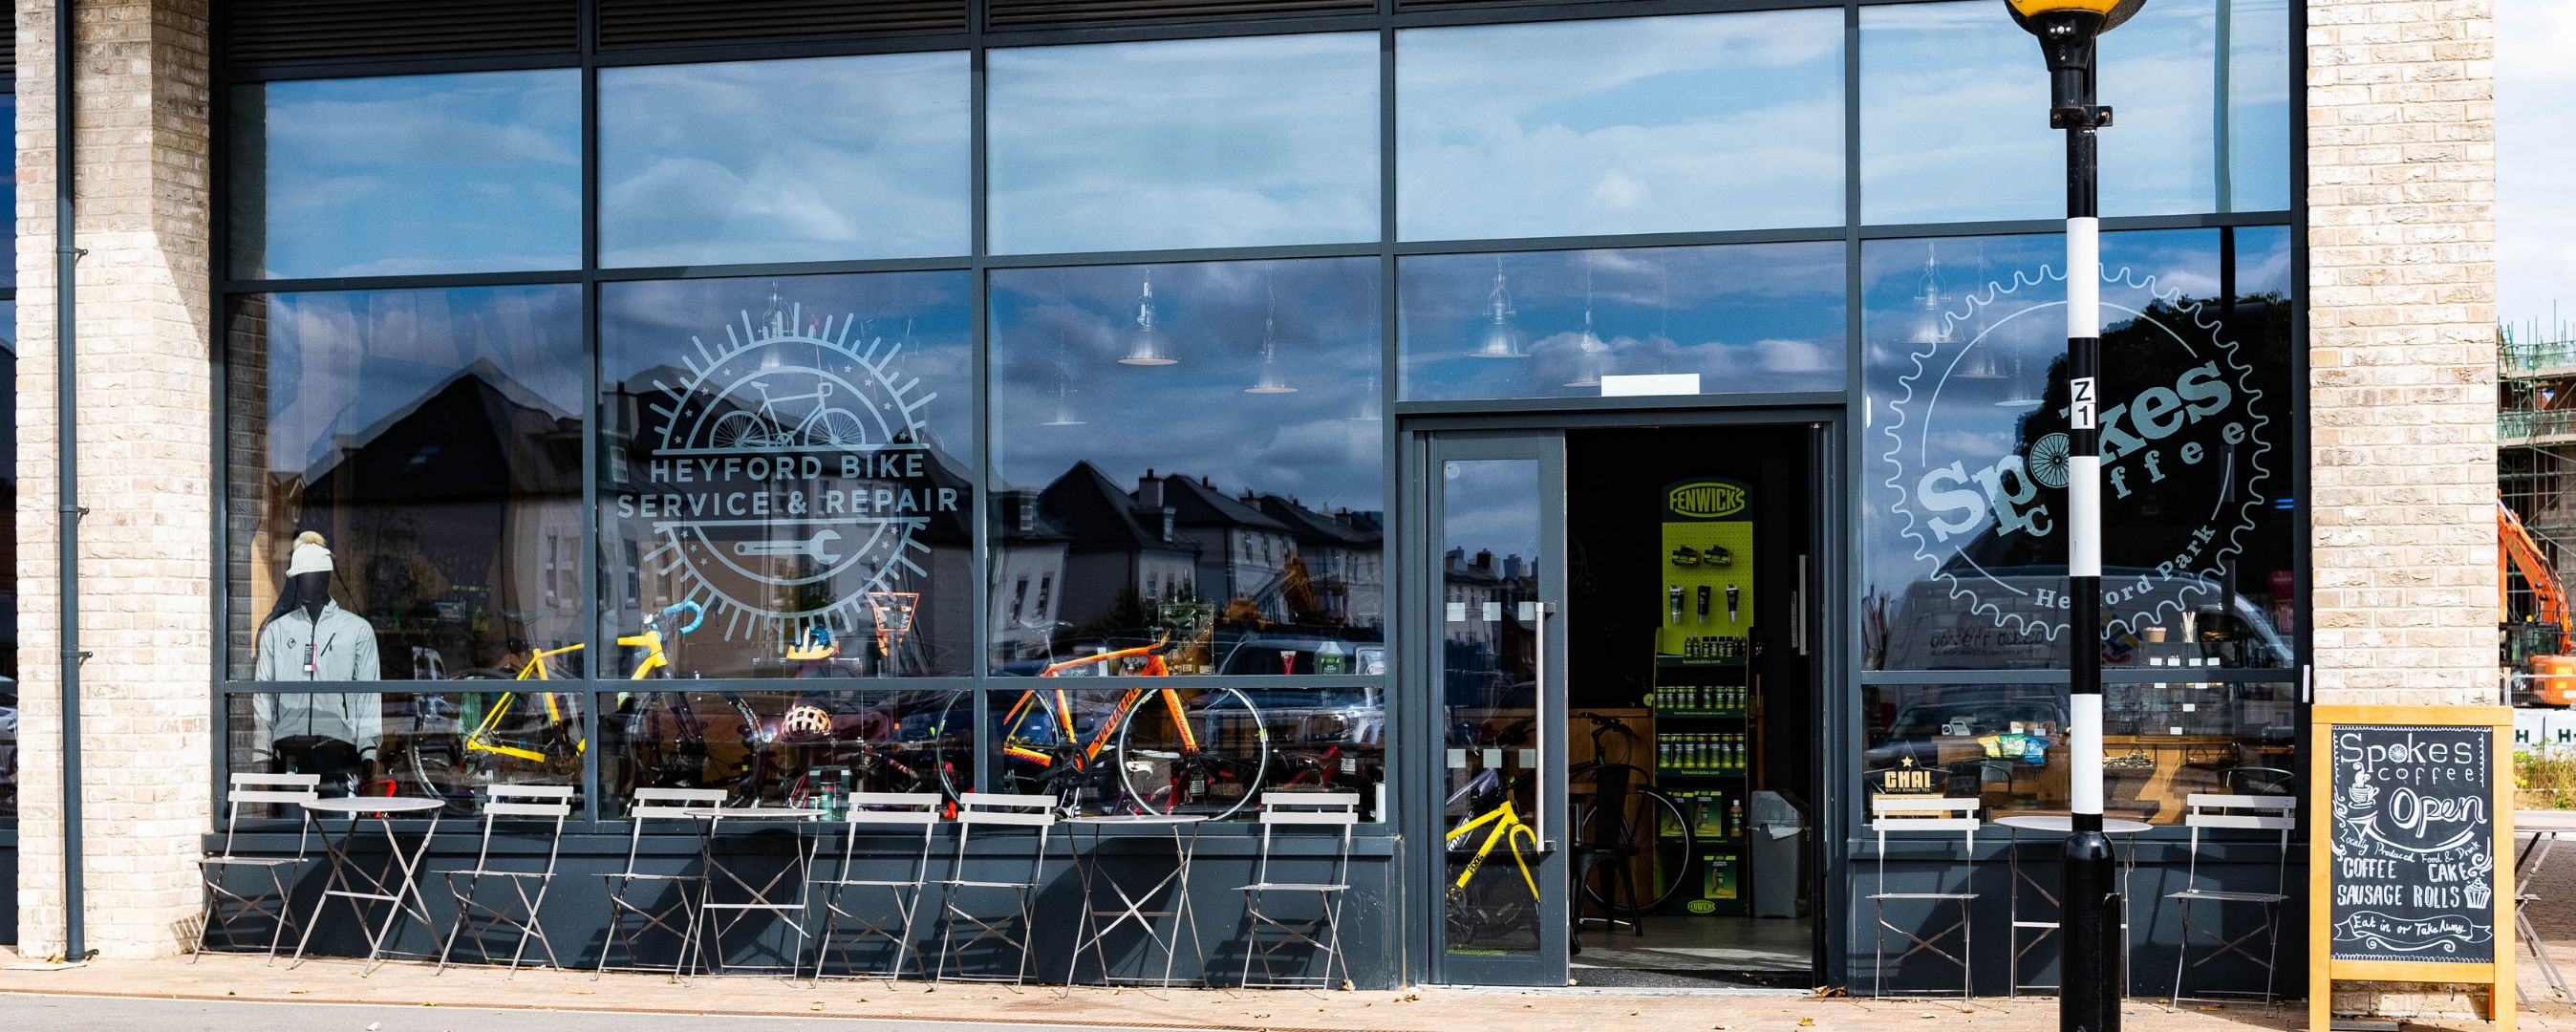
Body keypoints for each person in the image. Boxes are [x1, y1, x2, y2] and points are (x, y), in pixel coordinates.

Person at [251, 531, 383, 797]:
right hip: (289, 747)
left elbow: (369, 693)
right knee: (290, 832)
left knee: (338, 832)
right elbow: (263, 694)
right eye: (300, 578)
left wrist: (368, 748)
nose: (306, 584)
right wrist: (261, 750)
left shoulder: (357, 630)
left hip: (339, 747)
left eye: (312, 577)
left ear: (327, 577)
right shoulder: (277, 631)